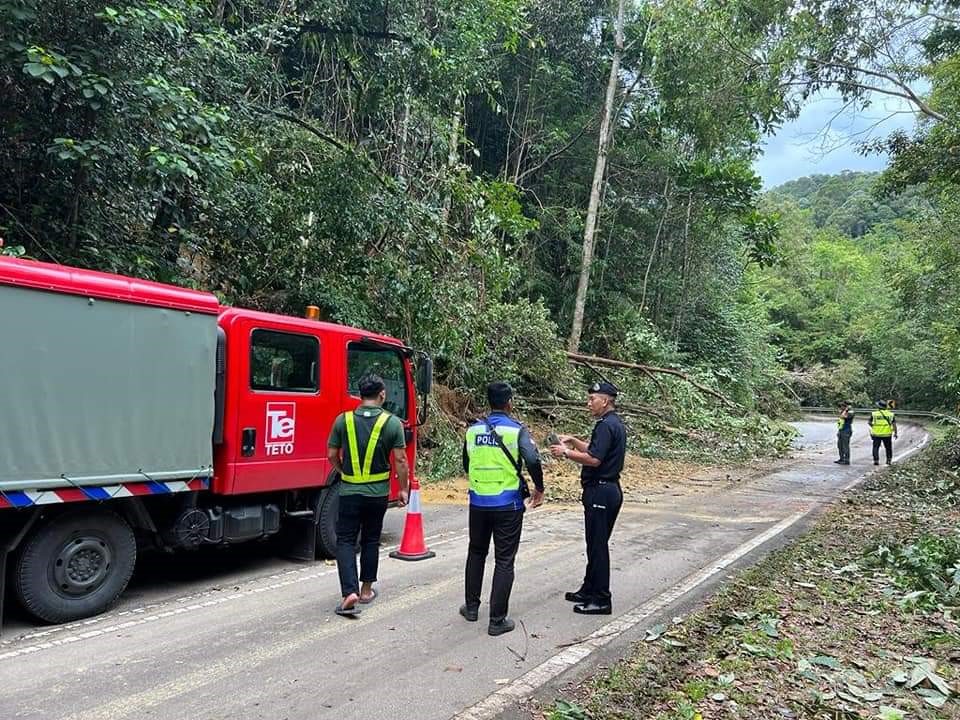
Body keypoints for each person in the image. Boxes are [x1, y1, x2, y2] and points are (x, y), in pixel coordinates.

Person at [460, 381, 545, 636]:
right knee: (504, 559)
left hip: (478, 501)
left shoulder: (473, 430)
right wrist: (539, 487)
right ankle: (497, 620)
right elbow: (531, 459)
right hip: (507, 503)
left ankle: (472, 608)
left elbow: (467, 462)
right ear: (509, 402)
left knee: (476, 552)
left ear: (489, 402)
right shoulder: (516, 430)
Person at [327, 373, 410, 616]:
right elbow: (401, 460)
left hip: (349, 491)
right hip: (377, 494)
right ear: (382, 394)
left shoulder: (343, 421)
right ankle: (365, 591)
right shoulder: (392, 423)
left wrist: (344, 471)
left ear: (360, 394)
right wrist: (403, 488)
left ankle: (348, 592)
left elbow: (332, 455)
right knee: (371, 539)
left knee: (345, 540)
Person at [549, 381, 626, 615]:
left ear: (605, 401)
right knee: (594, 544)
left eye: (592, 399)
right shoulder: (610, 423)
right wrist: (573, 441)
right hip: (604, 489)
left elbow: (594, 459)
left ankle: (602, 599)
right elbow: (593, 448)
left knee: (598, 546)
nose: (588, 403)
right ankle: (589, 589)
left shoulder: (606, 425)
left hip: (602, 489)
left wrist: (566, 452)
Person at [868, 399, 898, 466]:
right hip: (887, 434)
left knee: (876, 447)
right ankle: (888, 460)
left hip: (876, 434)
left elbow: (869, 422)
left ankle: (876, 460)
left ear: (879, 407)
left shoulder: (874, 414)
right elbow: (894, 424)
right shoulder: (890, 414)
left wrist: (874, 426)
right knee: (888, 448)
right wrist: (895, 433)